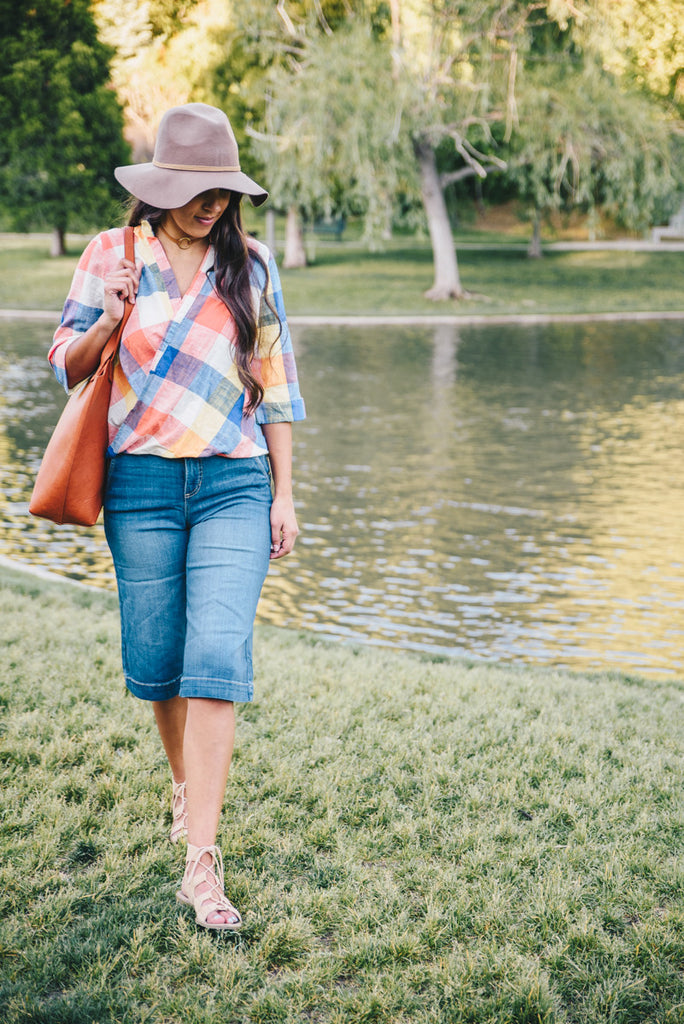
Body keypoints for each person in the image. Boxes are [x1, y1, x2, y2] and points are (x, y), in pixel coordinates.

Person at [49, 103, 305, 930]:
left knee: (216, 656)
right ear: (163, 185)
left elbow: (279, 388)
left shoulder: (253, 265)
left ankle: (203, 863)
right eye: (199, 190)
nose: (214, 205)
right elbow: (66, 363)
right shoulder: (111, 255)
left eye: (224, 191)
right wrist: (114, 318)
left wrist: (286, 493)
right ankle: (185, 786)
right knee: (158, 663)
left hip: (235, 484)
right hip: (141, 489)